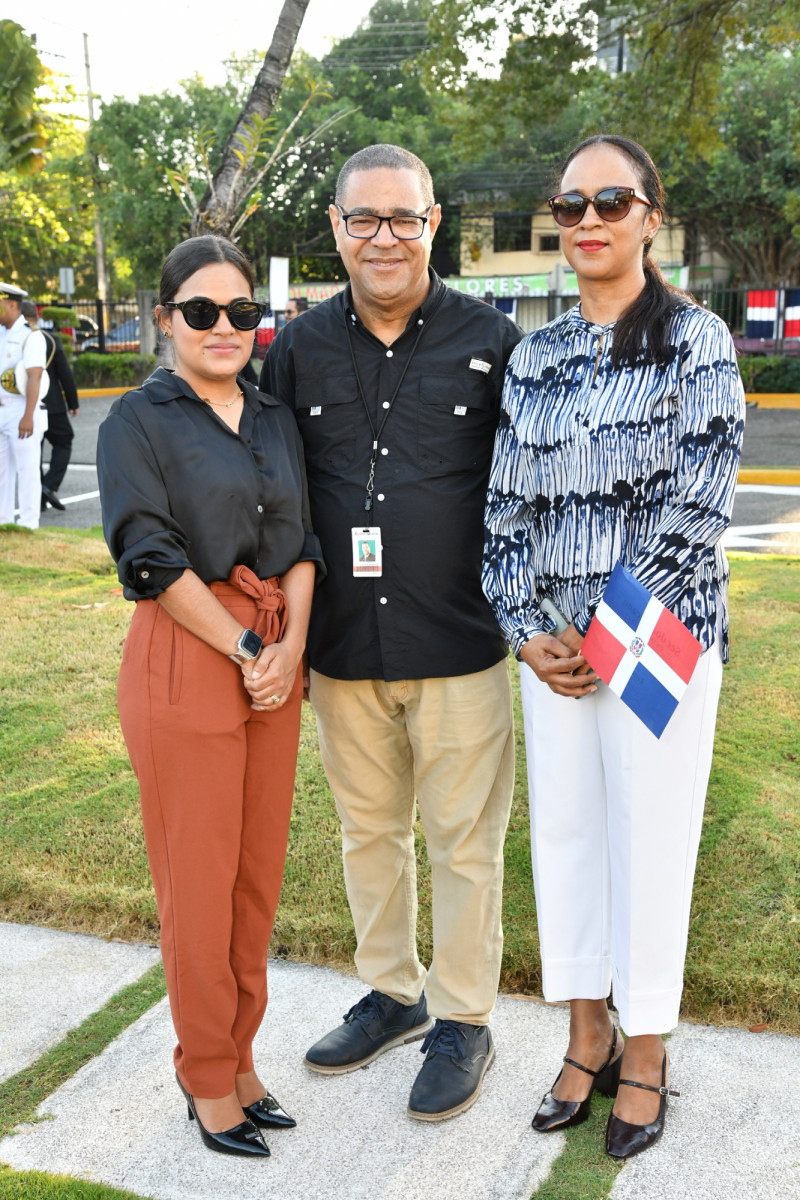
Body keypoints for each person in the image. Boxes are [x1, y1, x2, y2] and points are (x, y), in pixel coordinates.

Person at [482, 134, 745, 1160]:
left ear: (649, 214)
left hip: (658, 642)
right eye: (569, 203)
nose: (585, 218)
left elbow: (700, 501)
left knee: (649, 841)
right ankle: (582, 1029)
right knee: (567, 843)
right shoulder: (534, 355)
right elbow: (500, 507)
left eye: (609, 200)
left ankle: (644, 1049)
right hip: (553, 650)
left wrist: (608, 629)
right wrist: (524, 630)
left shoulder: (695, 340)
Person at [262, 144, 523, 1122]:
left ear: (432, 223)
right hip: (341, 647)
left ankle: (462, 1019)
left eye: (401, 218)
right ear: (334, 228)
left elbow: (528, 493)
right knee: (367, 833)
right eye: (362, 219)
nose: (383, 236)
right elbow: (275, 492)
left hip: (457, 640)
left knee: (463, 844)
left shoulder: (491, 339)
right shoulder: (295, 349)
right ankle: (392, 992)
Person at [97, 235, 324, 1159]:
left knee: (252, 880)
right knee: (195, 882)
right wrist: (242, 646)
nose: (224, 327)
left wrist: (290, 647)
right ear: (166, 317)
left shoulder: (273, 416)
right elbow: (148, 558)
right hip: (191, 650)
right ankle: (205, 1076)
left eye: (241, 313)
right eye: (202, 311)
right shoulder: (135, 422)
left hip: (274, 652)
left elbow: (303, 541)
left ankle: (241, 1057)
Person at [20, 300, 79, 513]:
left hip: (23, 405)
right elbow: (65, 373)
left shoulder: (15, 338)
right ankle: (48, 485)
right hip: (51, 405)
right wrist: (73, 403)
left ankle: (38, 495)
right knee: (64, 441)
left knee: (34, 449)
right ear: (36, 315)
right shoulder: (50, 339)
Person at [0, 282, 47, 528]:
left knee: (27, 470)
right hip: (1, 409)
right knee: (2, 472)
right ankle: (3, 521)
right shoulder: (1, 333)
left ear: (12, 304)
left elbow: (35, 376)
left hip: (22, 409)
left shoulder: (31, 335)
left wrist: (28, 415)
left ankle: (29, 524)